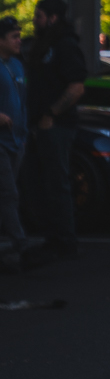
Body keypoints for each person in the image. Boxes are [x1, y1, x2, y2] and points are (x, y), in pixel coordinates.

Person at [26, 0, 87, 259]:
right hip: (40, 124)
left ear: (52, 18)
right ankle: (53, 236)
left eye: (39, 16)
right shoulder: (43, 45)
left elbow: (77, 87)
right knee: (41, 182)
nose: (34, 21)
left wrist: (51, 114)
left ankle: (65, 240)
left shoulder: (65, 45)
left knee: (57, 181)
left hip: (57, 125)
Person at [0, 16, 27, 260]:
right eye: (14, 37)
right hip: (2, 140)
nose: (19, 40)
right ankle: (21, 244)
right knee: (8, 193)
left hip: (17, 139)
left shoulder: (17, 65)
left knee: (8, 192)